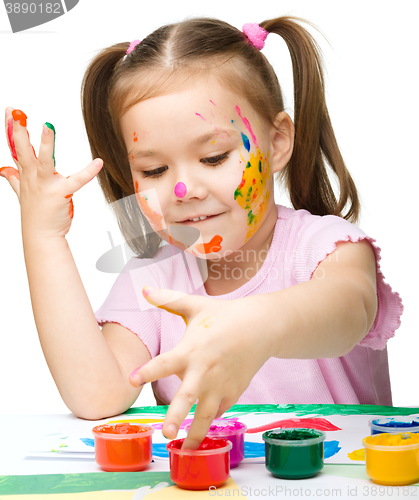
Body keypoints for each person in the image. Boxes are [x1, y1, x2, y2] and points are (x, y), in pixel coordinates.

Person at [0, 17, 402, 450]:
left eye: (213, 158)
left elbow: (346, 313)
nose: (182, 190)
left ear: (278, 141)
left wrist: (251, 325)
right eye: (153, 170)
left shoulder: (328, 250)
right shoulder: (152, 282)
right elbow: (96, 396)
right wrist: (44, 239)